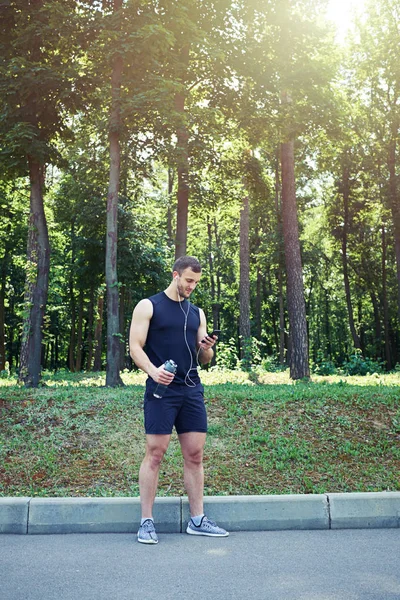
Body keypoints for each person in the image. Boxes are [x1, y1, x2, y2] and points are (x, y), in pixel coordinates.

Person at [129, 255, 229, 544]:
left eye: (196, 283)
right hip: (162, 390)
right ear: (175, 275)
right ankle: (146, 522)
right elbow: (135, 347)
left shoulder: (197, 313)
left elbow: (205, 359)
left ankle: (197, 520)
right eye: (188, 281)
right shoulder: (149, 306)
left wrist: (207, 348)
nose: (191, 287)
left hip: (191, 390)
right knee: (155, 453)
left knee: (195, 455)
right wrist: (153, 371)